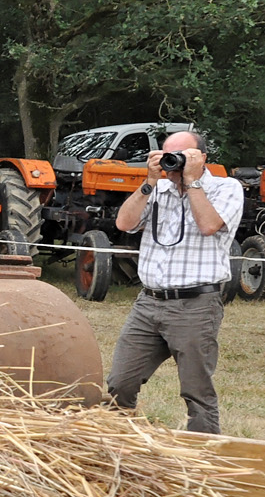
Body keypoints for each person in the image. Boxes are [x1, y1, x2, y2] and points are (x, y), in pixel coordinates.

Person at [105, 130, 244, 433]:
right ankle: (119, 445)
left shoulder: (226, 188)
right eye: (167, 154)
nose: (173, 161)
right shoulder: (157, 190)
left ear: (202, 158)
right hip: (148, 303)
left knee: (196, 391)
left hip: (195, 305)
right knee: (119, 383)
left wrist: (192, 182)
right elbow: (124, 223)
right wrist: (149, 182)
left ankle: (203, 455)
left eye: (181, 155)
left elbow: (209, 225)